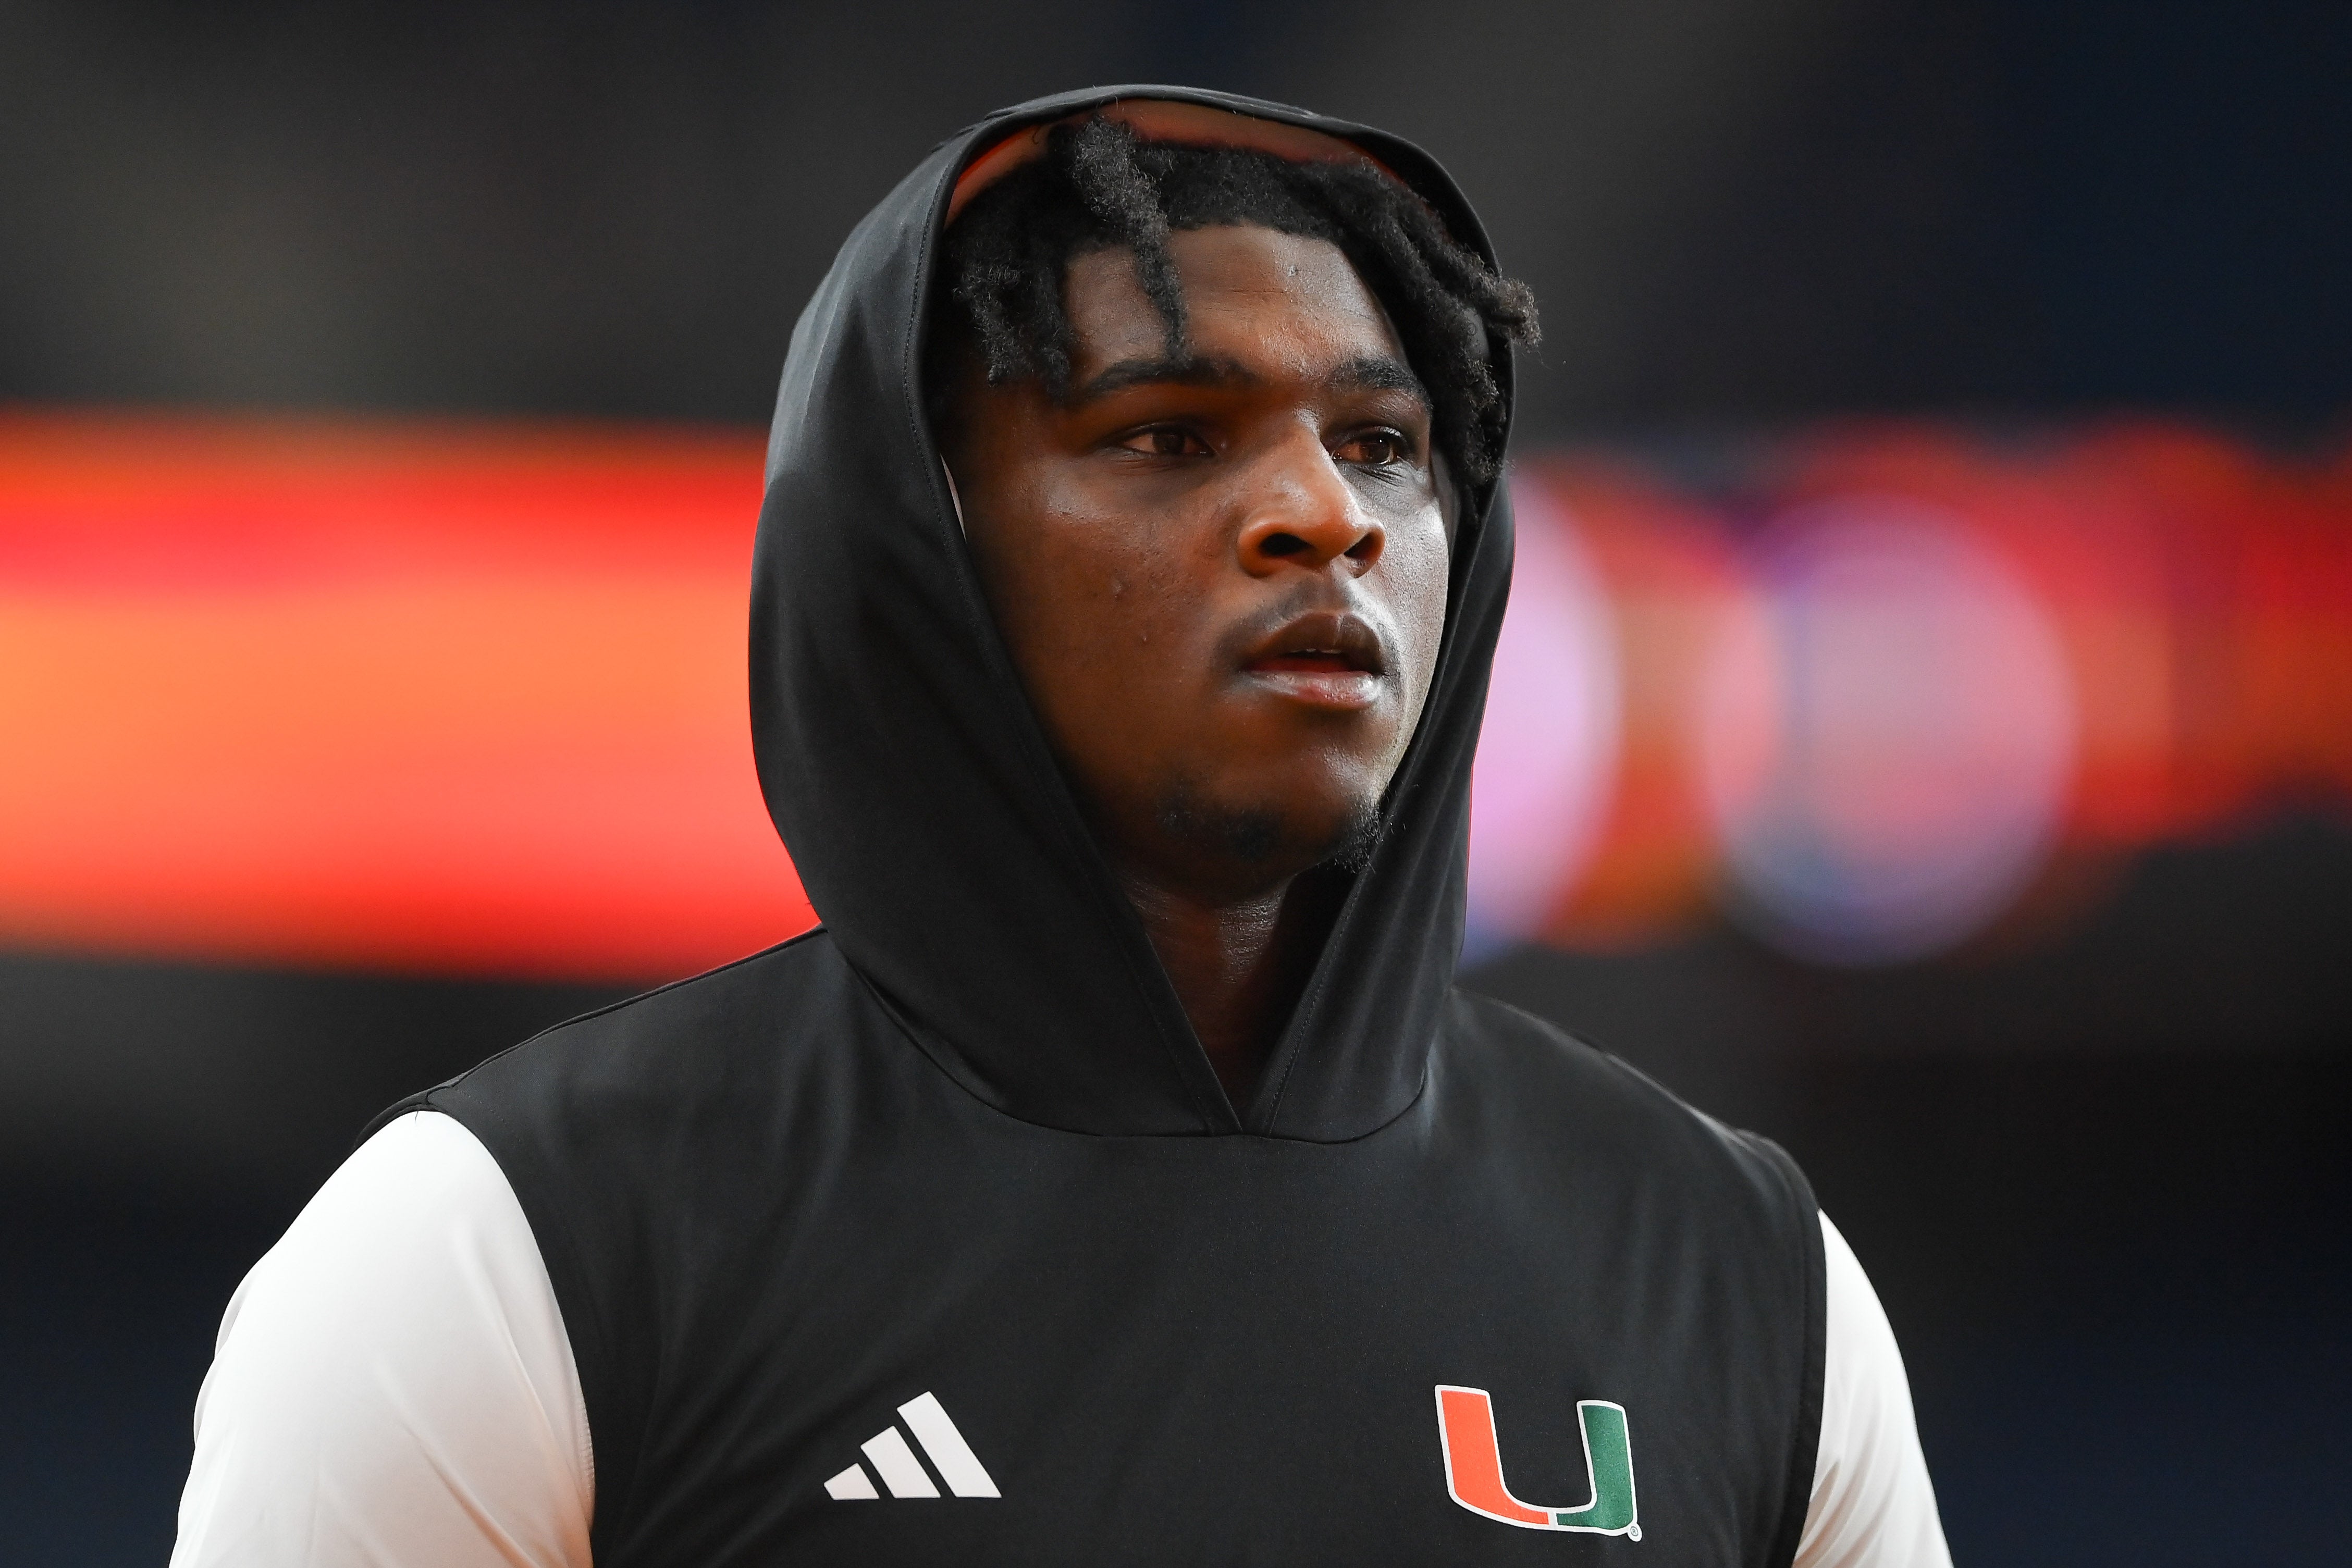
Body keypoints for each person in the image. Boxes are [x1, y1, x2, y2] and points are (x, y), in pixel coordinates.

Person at [171, 86, 1949, 1566]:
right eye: (1171, 436)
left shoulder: (1743, 1275)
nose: (1321, 515)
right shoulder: (504, 1252)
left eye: (1387, 445)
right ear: (914, 546)